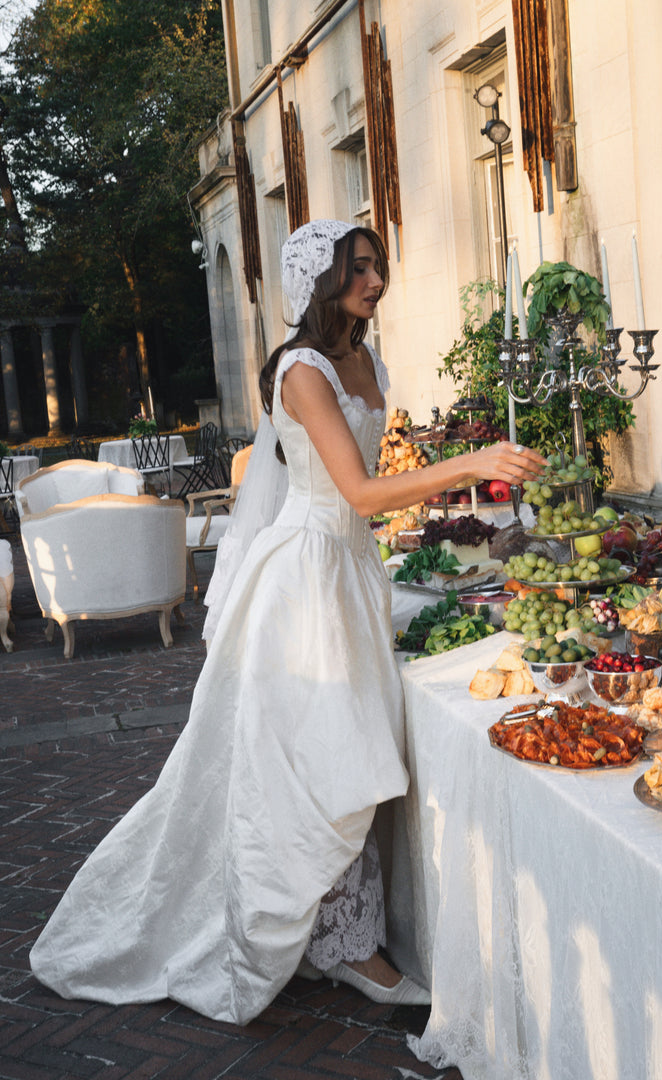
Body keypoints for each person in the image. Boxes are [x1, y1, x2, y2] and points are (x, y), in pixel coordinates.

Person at [29, 219, 545, 1024]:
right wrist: (473, 464)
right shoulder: (301, 370)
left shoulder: (366, 357)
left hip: (350, 572)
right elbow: (362, 493)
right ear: (321, 281)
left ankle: (333, 935)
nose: (376, 280)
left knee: (353, 750)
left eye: (377, 265)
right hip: (305, 580)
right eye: (359, 268)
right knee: (330, 760)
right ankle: (348, 952)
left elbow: (371, 494)